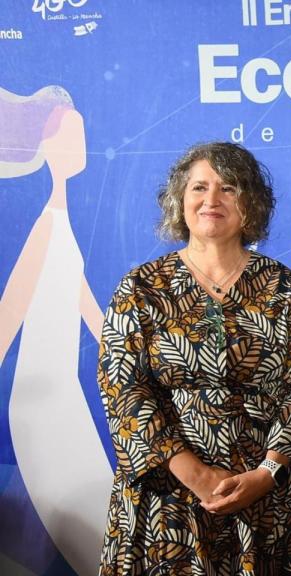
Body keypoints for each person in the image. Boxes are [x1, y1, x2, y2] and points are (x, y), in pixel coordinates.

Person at [96, 142, 291, 574]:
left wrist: (265, 473)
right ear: (180, 201)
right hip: (167, 502)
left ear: (251, 202)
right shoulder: (141, 288)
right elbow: (123, 391)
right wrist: (196, 474)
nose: (211, 200)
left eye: (228, 188)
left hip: (268, 500)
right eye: (199, 187)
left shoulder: (284, 288)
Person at [0, 85, 110, 575]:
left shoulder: (65, 225)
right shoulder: (46, 226)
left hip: (65, 398)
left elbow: (93, 314)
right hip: (40, 406)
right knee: (96, 542)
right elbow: (10, 311)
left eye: (83, 132)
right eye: (71, 134)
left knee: (109, 531)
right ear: (48, 149)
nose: (80, 144)